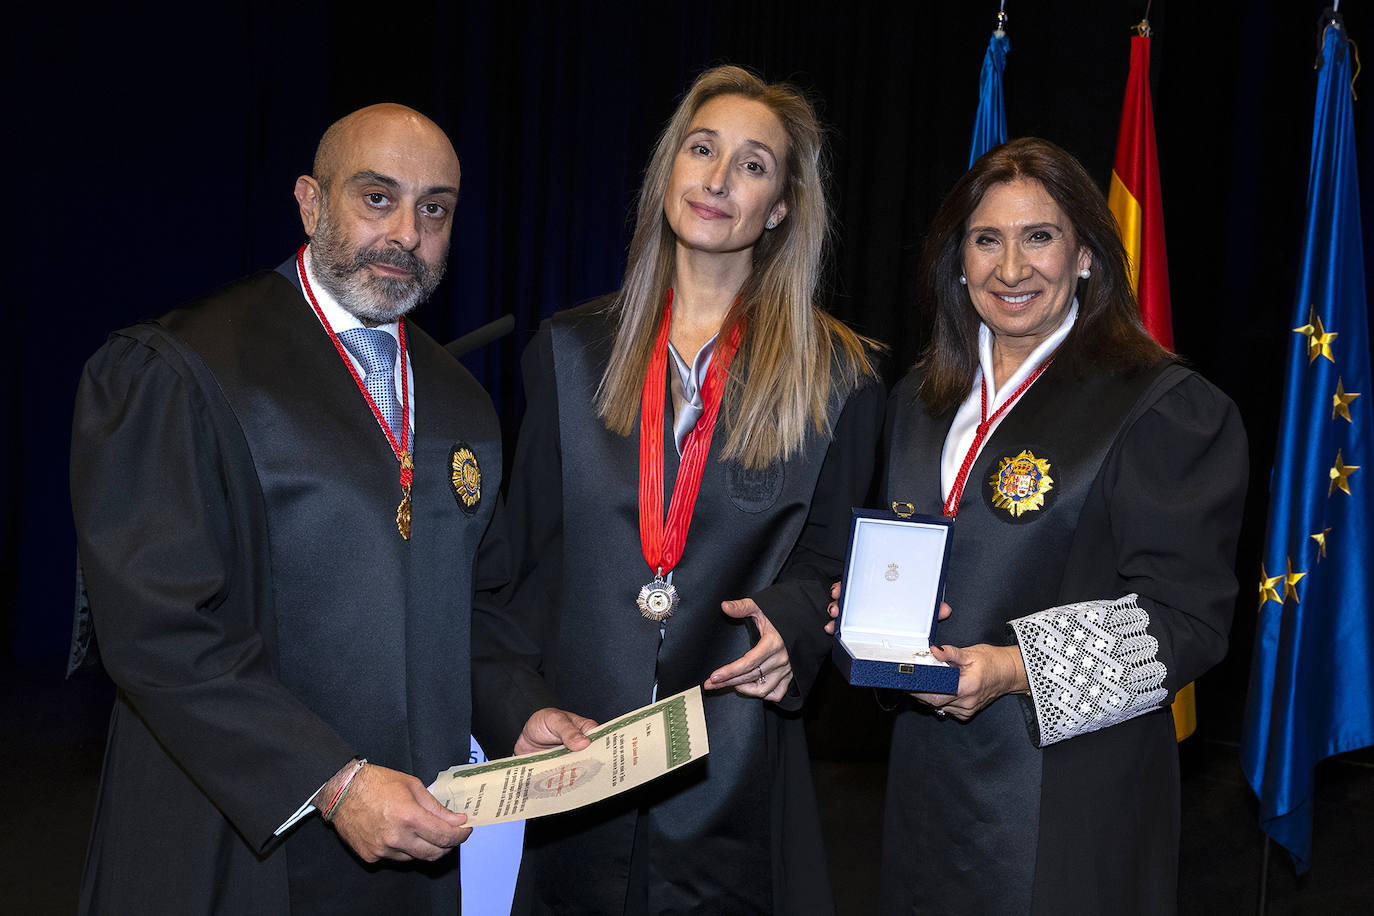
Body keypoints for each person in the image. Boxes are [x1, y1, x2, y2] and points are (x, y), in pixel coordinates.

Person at [69, 103, 587, 915]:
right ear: (311, 203)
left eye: (435, 209)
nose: (408, 234)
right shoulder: (183, 367)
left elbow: (474, 608)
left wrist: (518, 710)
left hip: (410, 841)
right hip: (234, 842)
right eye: (378, 198)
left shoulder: (458, 398)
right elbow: (158, 629)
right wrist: (331, 780)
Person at [470, 66, 883, 914]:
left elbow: (833, 564)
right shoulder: (566, 353)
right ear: (669, 171)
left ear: (780, 208)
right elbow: (517, 571)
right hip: (579, 765)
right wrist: (517, 704)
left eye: (752, 164)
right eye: (702, 149)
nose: (719, 178)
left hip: (735, 776)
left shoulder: (842, 377)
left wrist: (795, 625)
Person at [842, 137, 1247, 914]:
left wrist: (1012, 668)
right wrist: (862, 618)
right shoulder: (918, 400)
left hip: (1072, 807)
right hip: (926, 793)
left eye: (1039, 237)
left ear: (1086, 255)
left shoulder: (1161, 406)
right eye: (985, 240)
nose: (1011, 268)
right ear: (957, 262)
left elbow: (1187, 622)